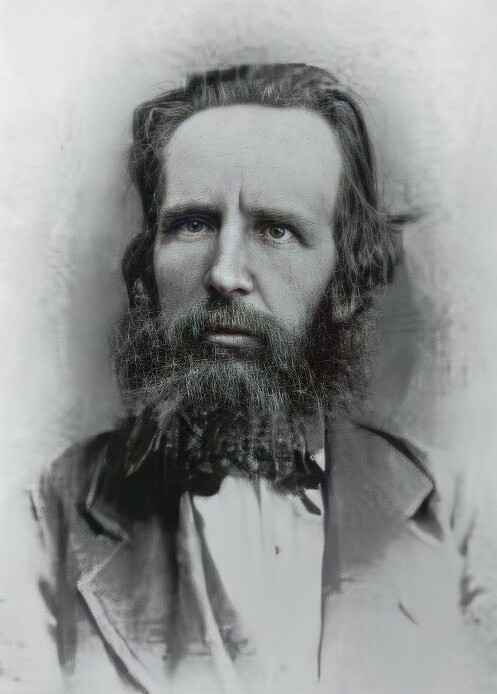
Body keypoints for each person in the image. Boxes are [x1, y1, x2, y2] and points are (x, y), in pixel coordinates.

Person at [31, 63, 474, 694]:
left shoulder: (454, 515)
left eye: (276, 230)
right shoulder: (44, 515)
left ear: (346, 282)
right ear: (148, 263)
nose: (224, 273)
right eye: (193, 224)